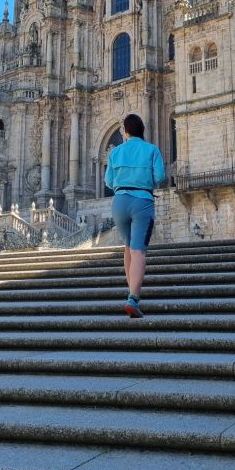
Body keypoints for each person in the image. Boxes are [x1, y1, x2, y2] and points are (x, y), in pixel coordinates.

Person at [105, 113, 166, 318]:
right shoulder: (152, 150)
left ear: (126, 131)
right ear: (142, 131)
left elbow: (108, 181)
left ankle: (131, 292)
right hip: (142, 202)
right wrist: (145, 182)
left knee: (128, 249)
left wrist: (122, 185)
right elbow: (160, 176)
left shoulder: (116, 152)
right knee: (139, 251)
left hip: (119, 201)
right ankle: (133, 298)